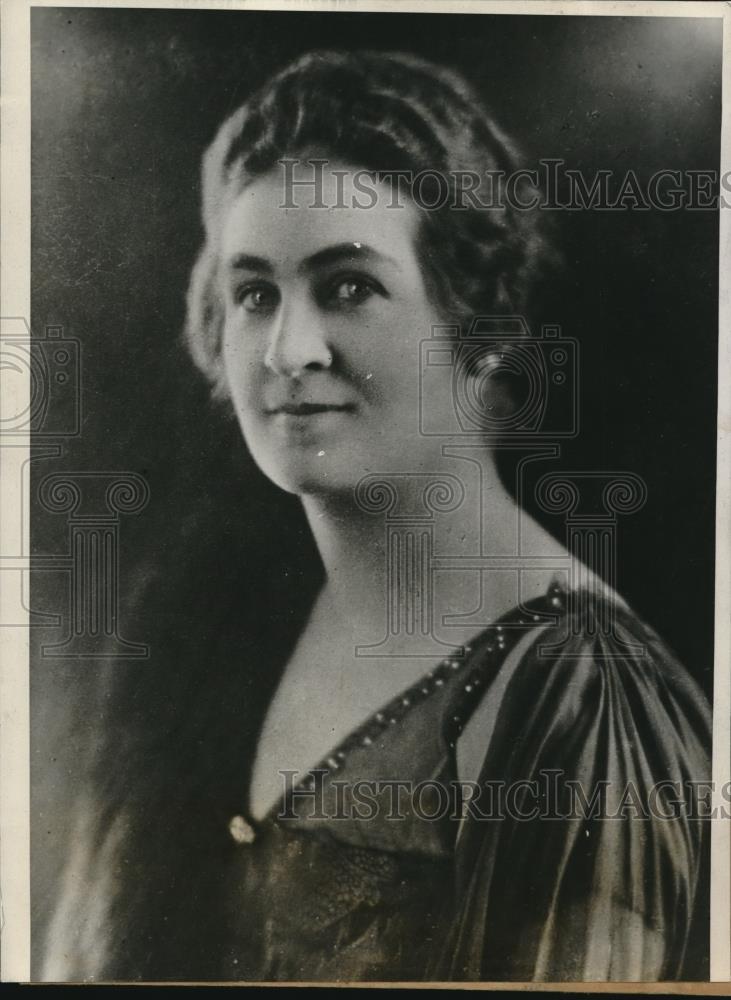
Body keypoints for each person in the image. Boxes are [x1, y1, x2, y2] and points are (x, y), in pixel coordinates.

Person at [40, 49, 711, 983]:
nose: (289, 347)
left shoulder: (578, 696)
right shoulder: (213, 629)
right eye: (254, 294)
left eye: (348, 286)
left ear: (472, 326)